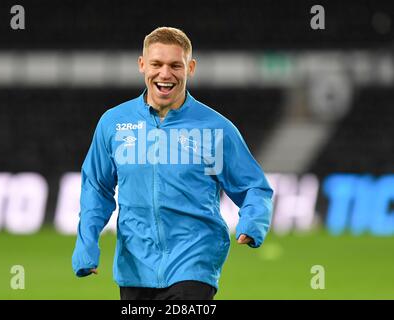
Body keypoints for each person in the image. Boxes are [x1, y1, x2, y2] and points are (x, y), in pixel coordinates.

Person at [72, 26, 273, 300]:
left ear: (190, 67)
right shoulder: (113, 124)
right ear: (142, 65)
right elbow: (96, 187)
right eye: (156, 64)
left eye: (175, 65)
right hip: (135, 265)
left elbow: (254, 186)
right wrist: (87, 243)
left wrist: (252, 221)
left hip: (195, 261)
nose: (165, 74)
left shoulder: (215, 129)